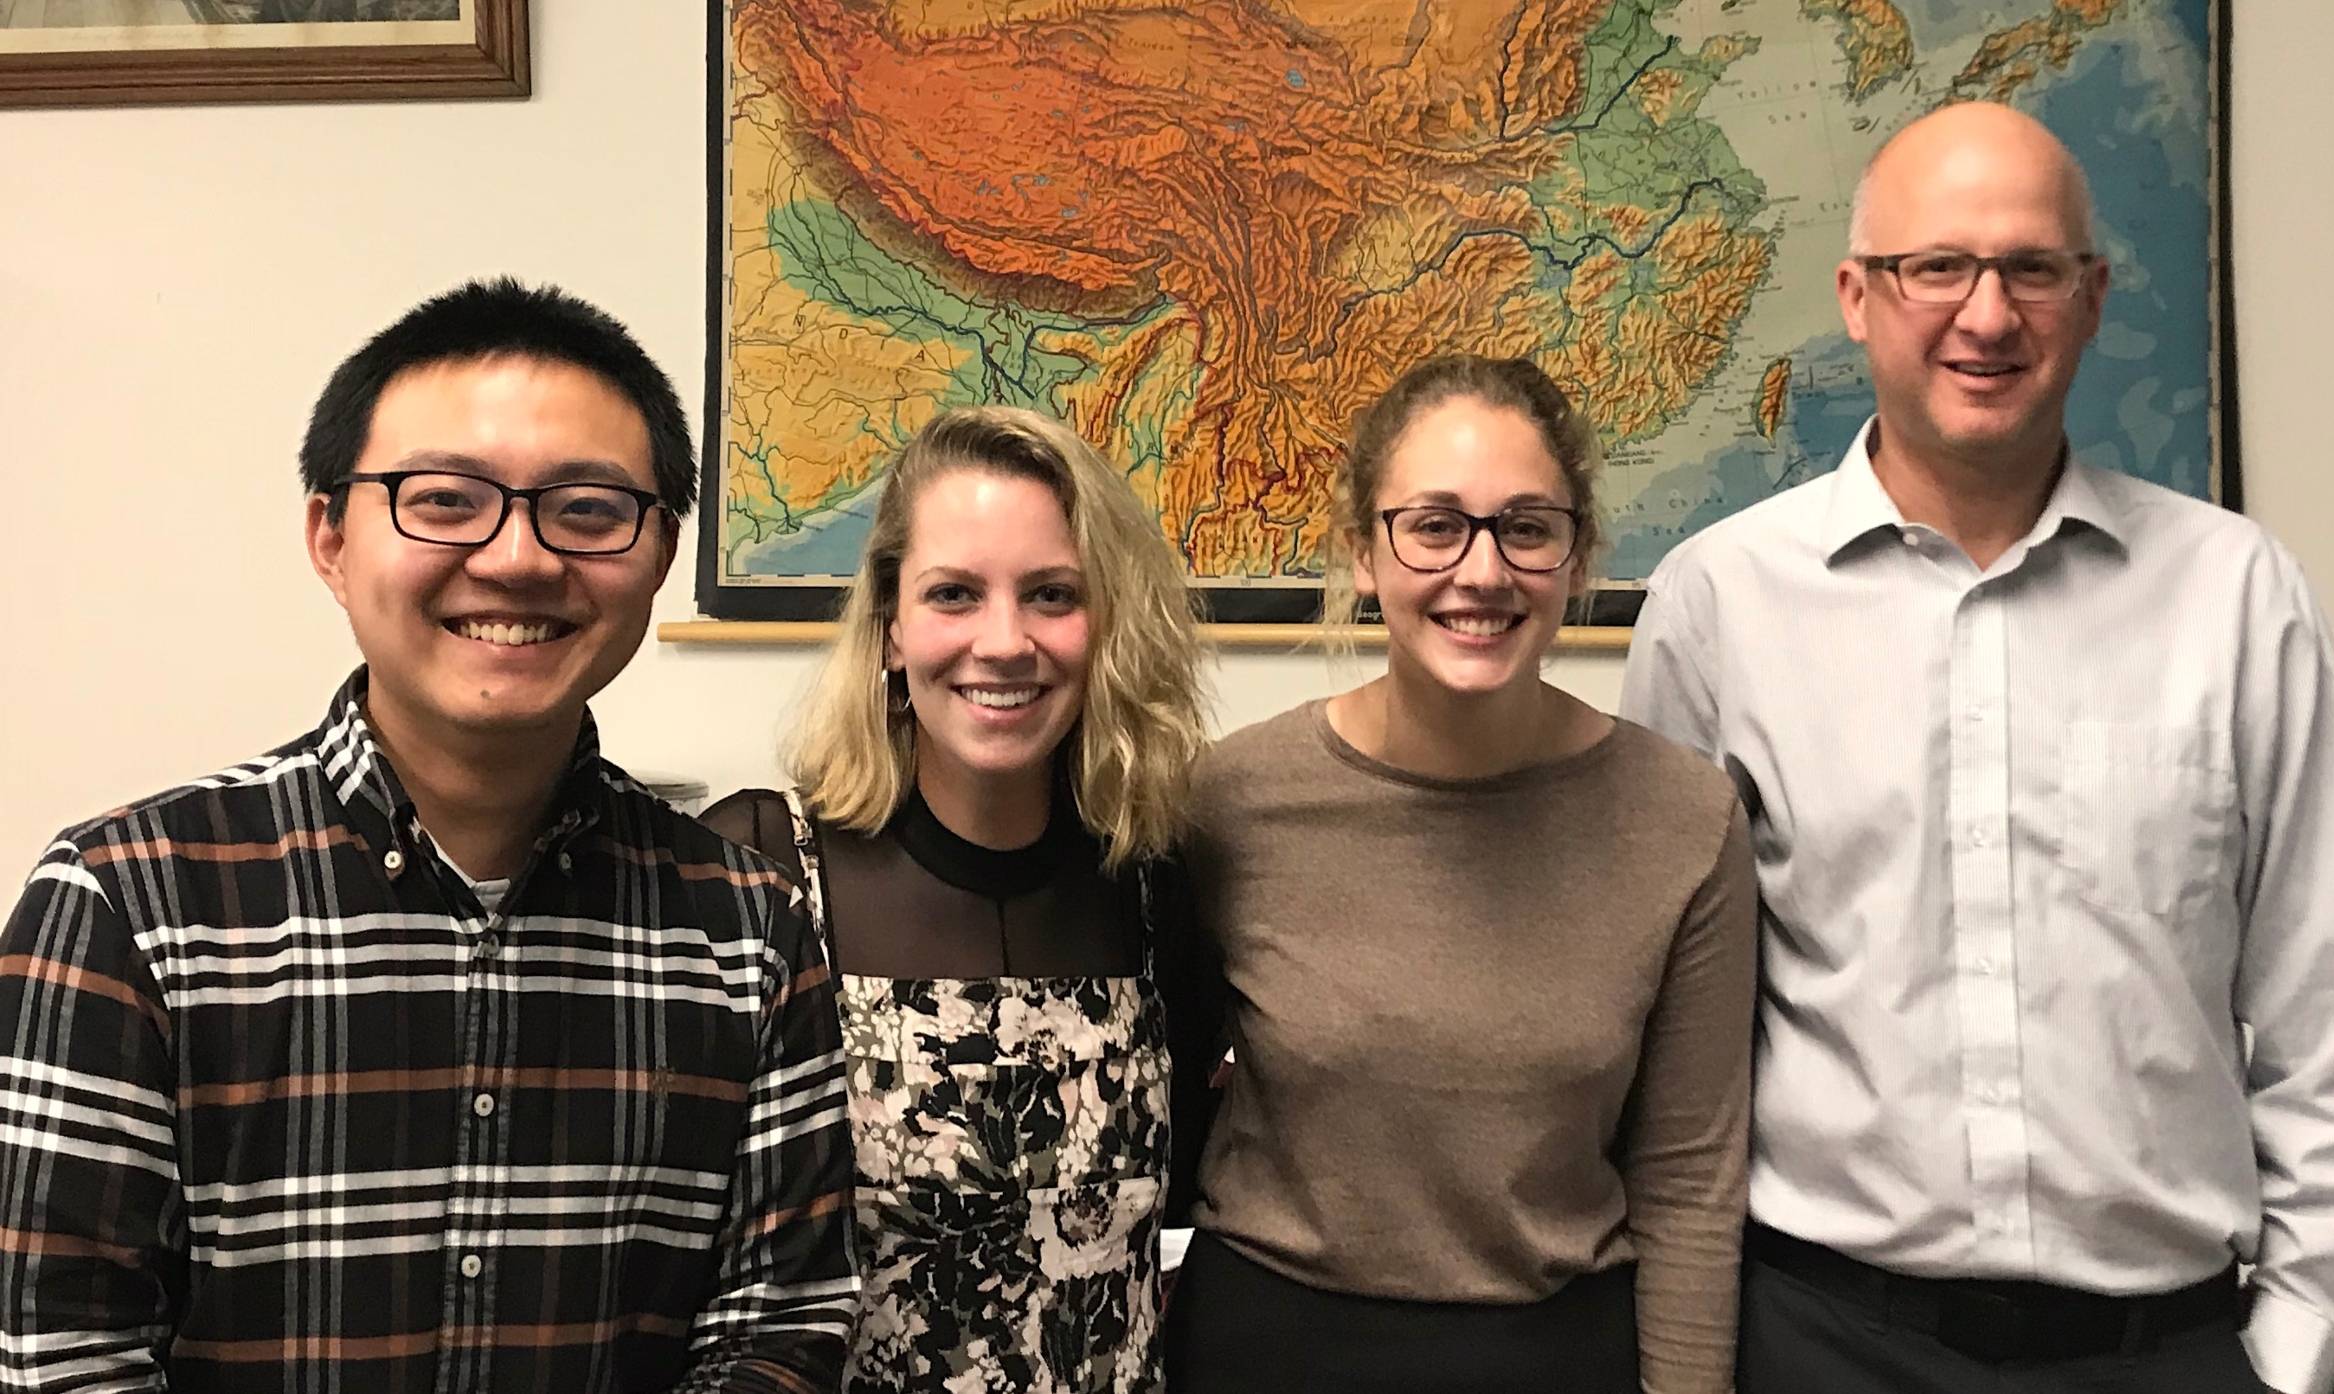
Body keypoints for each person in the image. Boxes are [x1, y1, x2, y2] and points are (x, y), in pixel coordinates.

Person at [1620, 102, 2334, 1394]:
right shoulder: (1720, 602)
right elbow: (1660, 1027)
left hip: (2166, 1351)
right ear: (1856, 294)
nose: (1986, 316)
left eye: (2031, 268)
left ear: (2094, 296)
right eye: (1937, 265)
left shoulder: (2237, 595)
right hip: (1823, 1345)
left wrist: (2289, 1361)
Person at [0, 279, 858, 1392]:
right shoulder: (126, 906)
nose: (516, 557)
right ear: (330, 535)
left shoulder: (746, 928)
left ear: (657, 550)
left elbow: (778, 1327)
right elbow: (58, 1348)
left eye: (588, 508)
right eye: (445, 499)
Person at [1164, 355, 1759, 1393]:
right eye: (1433, 524)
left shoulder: (1683, 819)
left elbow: (1687, 1184)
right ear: (1362, 551)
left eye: (1525, 526)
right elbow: (1149, 1101)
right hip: (1269, 1348)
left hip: (1556, 1352)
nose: (1480, 571)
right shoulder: (1229, 801)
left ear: (1576, 560)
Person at [700, 405, 1213, 1393]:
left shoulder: (1153, 886)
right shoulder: (763, 867)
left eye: (1050, 594)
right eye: (954, 593)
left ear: (1100, 620)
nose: (1004, 639)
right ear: (891, 625)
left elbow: (1183, 1178)